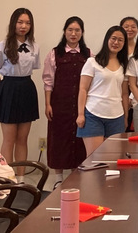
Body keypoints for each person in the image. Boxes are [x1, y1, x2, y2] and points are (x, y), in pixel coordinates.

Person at [0, 8, 40, 180]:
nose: (23, 26)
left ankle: (21, 179)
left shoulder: (34, 46)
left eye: (27, 23)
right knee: (9, 139)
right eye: (20, 22)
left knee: (22, 138)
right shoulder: (3, 45)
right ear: (13, 23)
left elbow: (33, 68)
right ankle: (7, 179)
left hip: (27, 88)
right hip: (8, 88)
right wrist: (3, 92)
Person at [42, 16, 91, 187]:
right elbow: (48, 81)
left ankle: (75, 177)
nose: (73, 33)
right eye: (70, 30)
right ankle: (58, 178)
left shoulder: (88, 54)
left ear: (82, 33)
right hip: (59, 104)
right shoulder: (54, 53)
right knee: (59, 139)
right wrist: (48, 104)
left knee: (79, 140)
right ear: (64, 32)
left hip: (80, 105)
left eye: (77, 30)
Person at [76, 26, 129, 156]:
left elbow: (124, 94)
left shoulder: (124, 65)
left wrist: (126, 117)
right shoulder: (92, 62)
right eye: (113, 38)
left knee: (112, 159)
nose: (116, 42)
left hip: (116, 116)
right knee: (94, 159)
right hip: (93, 114)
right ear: (107, 40)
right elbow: (83, 89)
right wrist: (80, 114)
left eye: (120, 40)